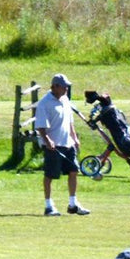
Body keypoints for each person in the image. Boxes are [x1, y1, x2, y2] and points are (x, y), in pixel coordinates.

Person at [33, 73, 88, 216]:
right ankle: (48, 206)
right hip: (53, 145)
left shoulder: (65, 100)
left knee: (74, 171)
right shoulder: (44, 103)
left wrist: (74, 138)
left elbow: (70, 122)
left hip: (67, 143)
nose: (66, 89)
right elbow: (40, 126)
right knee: (50, 175)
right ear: (55, 87)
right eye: (64, 87)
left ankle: (73, 204)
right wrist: (47, 140)